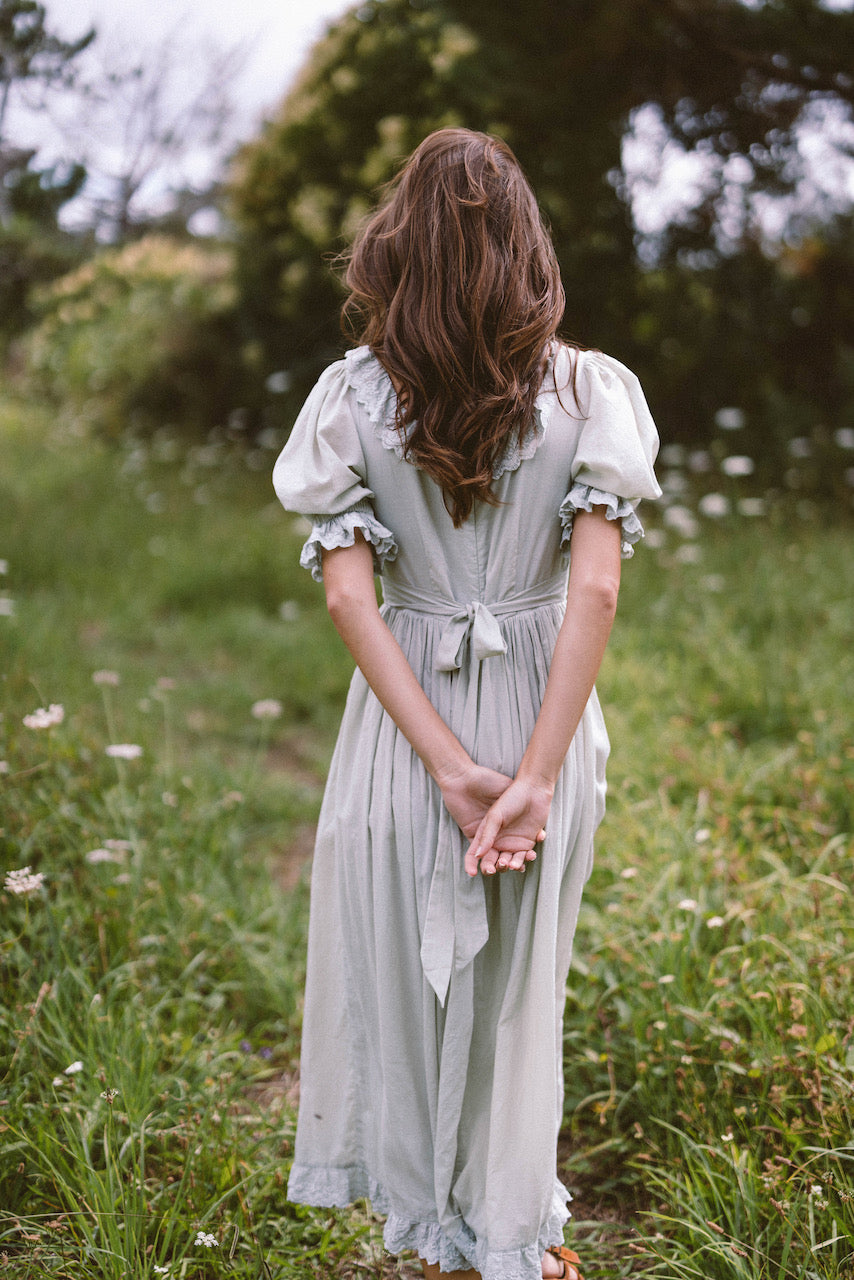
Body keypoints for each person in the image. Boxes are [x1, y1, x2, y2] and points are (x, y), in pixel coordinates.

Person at [273, 127, 660, 1280]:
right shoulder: (592, 391)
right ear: (529, 251)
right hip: (544, 710)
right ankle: (510, 1235)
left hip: (408, 723)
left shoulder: (350, 398)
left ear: (395, 251)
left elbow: (351, 601)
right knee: (518, 985)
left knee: (408, 979)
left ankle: (447, 1233)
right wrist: (534, 772)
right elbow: (592, 582)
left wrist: (446, 762)